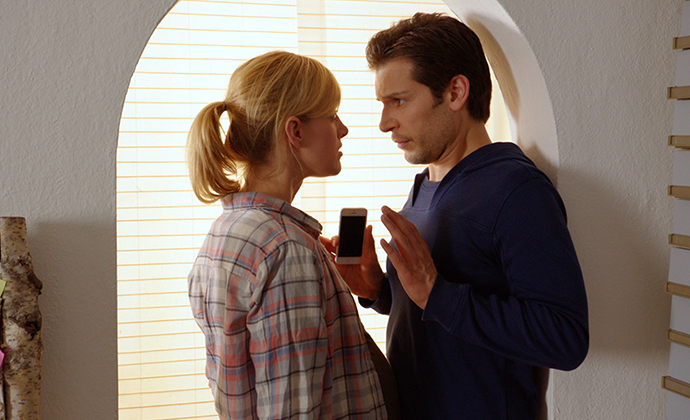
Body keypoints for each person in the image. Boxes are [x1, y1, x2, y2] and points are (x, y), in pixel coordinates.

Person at [323, 13, 589, 420]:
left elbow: (565, 338)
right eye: (383, 104)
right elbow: (439, 315)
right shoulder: (425, 184)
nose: (384, 123)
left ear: (455, 92)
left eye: (399, 101)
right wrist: (379, 290)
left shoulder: (517, 191)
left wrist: (436, 293)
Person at [186, 50, 398, 420]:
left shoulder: (228, 231)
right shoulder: (286, 249)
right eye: (332, 115)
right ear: (295, 131)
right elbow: (295, 410)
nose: (343, 129)